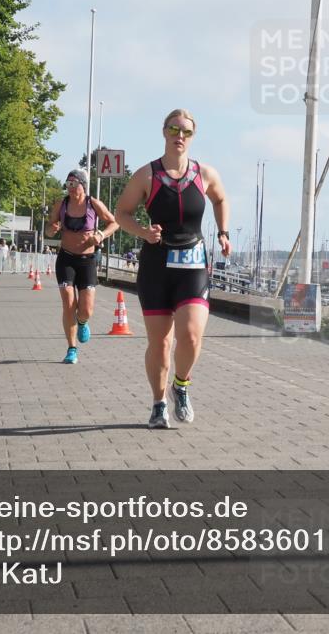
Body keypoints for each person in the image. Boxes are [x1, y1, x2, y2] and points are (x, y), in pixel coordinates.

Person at [115, 108, 231, 429]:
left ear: (193, 136)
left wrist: (223, 231)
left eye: (186, 132)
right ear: (164, 132)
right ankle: (158, 403)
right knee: (160, 343)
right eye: (173, 129)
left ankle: (181, 385)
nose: (179, 136)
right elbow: (122, 213)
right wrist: (142, 232)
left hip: (193, 264)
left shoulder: (204, 174)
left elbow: (221, 200)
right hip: (156, 266)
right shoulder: (146, 176)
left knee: (191, 335)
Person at [46, 168, 119, 364]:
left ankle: (83, 322)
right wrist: (52, 229)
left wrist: (100, 235)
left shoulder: (93, 204)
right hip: (66, 259)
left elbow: (114, 223)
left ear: (82, 185)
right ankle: (71, 349)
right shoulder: (62, 204)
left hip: (87, 261)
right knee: (69, 303)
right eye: (67, 184)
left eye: (73, 183)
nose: (69, 187)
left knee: (86, 309)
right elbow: (49, 229)